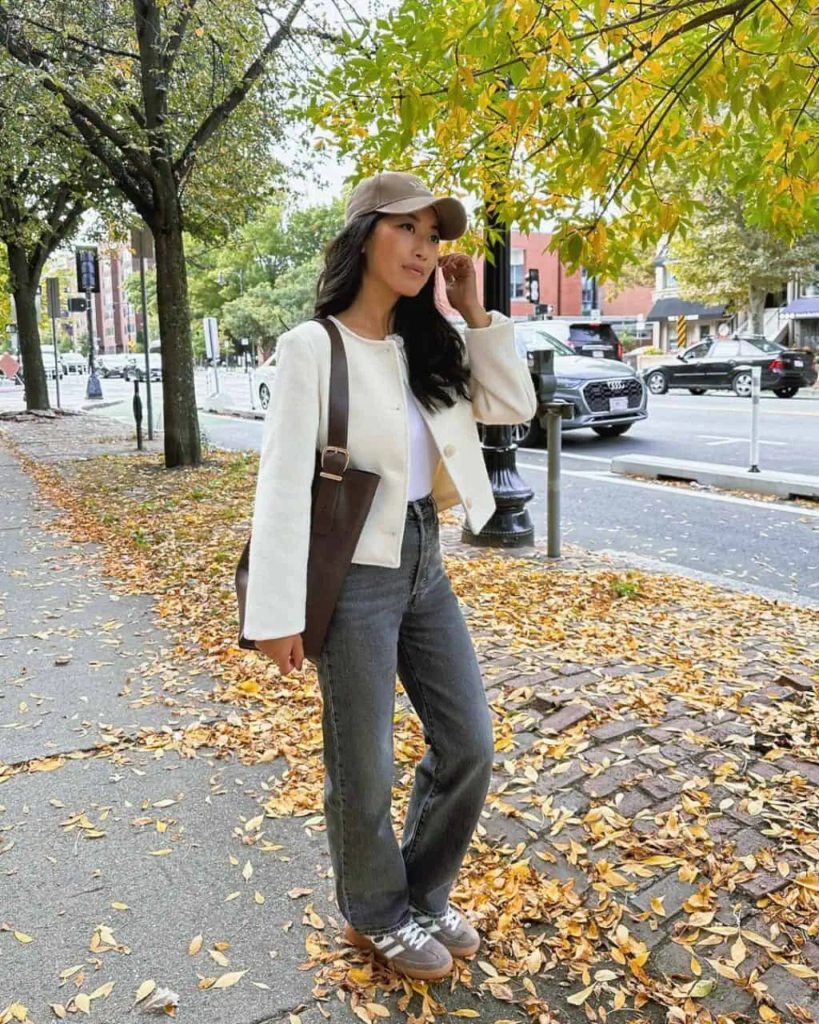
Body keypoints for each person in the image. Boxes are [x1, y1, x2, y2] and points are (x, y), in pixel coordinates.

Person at [243, 171, 537, 981]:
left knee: (469, 742)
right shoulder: (314, 347)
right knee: (362, 764)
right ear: (362, 236)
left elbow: (511, 409)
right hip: (354, 575)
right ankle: (375, 913)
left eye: (433, 236)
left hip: (425, 561)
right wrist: (276, 613)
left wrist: (472, 311)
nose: (422, 248)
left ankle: (423, 891)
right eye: (405, 229)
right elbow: (279, 483)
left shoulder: (424, 344)